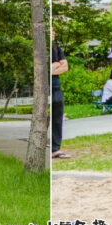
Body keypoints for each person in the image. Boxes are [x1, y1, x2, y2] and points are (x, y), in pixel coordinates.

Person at [51, 29, 69, 159]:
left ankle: (55, 148)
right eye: (50, 31)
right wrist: (56, 65)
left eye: (53, 31)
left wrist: (53, 68)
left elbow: (65, 66)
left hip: (56, 86)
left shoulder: (57, 49)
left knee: (57, 116)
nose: (53, 33)